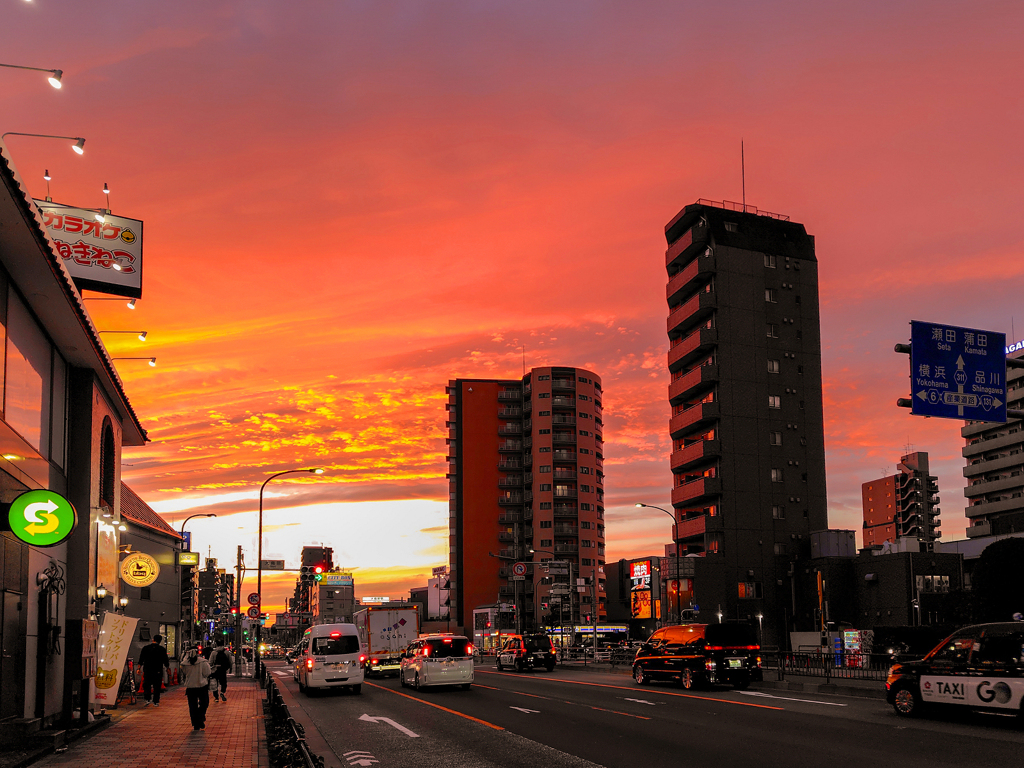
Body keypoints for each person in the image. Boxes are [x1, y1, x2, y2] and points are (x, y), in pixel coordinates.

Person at [182, 645, 212, 731]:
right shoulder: (203, 662)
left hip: (190, 687)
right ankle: (200, 718)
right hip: (202, 686)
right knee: (204, 703)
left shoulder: (185, 664)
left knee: (192, 706)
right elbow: (207, 673)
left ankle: (196, 723)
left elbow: (184, 673)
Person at [138, 634, 170, 707]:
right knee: (157, 686)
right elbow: (165, 660)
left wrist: (138, 668)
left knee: (147, 685)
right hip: (158, 670)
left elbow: (141, 659)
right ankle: (156, 701)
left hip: (147, 669)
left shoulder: (145, 648)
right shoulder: (162, 649)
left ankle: (147, 699)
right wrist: (167, 668)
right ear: (160, 641)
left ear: (153, 639)